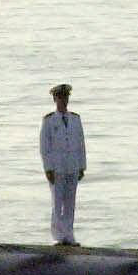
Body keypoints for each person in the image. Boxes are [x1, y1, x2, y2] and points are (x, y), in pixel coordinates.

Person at [38, 83, 86, 245]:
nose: (64, 100)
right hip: (57, 167)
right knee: (57, 202)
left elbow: (81, 143)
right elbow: (45, 147)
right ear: (55, 99)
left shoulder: (75, 119)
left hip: (72, 165)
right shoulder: (49, 120)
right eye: (60, 97)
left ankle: (69, 233)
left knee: (70, 202)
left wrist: (82, 165)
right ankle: (58, 235)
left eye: (66, 97)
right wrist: (48, 168)